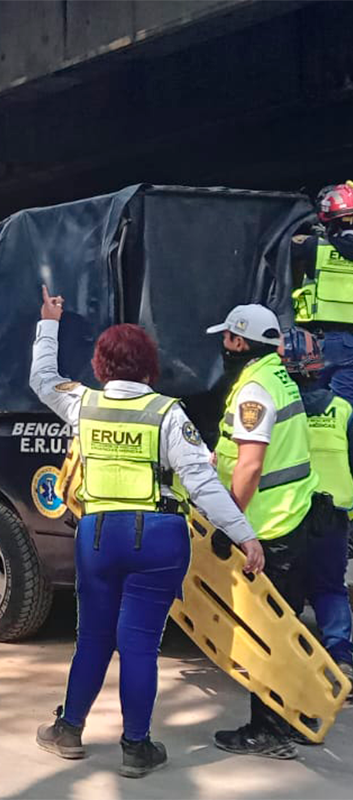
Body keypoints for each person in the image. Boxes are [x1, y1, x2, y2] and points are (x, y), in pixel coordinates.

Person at [31, 286, 262, 779]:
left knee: (92, 638)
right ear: (149, 367)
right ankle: (136, 748)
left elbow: (42, 378)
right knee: (138, 644)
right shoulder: (167, 414)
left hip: (97, 536)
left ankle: (69, 731)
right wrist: (244, 534)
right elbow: (202, 483)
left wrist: (48, 323)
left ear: (100, 365)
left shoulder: (83, 405)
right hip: (158, 537)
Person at [206, 304, 320, 760]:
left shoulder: (254, 390)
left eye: (228, 339)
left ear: (239, 341)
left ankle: (267, 730)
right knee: (289, 628)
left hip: (270, 526)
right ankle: (298, 716)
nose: (224, 346)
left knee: (266, 633)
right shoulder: (279, 375)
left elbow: (251, 465)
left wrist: (230, 523)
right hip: (295, 515)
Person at [278, 328, 353, 699]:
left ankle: (293, 665)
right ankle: (341, 658)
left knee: (287, 591)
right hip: (334, 515)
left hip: (291, 513)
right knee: (330, 589)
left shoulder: (280, 411)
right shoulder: (343, 410)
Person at [293, 182, 353, 404]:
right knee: (345, 410)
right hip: (351, 345)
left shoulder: (312, 247)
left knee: (308, 405)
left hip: (313, 342)